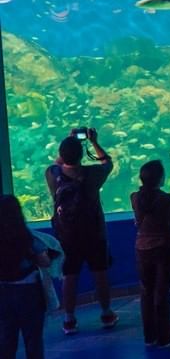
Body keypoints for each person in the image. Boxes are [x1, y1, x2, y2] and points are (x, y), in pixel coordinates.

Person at [45, 129, 117, 335]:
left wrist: (69, 140)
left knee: (69, 276)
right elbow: (108, 163)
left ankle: (69, 319)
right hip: (94, 233)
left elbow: (59, 162)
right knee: (100, 273)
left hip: (67, 236)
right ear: (82, 154)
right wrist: (94, 142)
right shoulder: (93, 174)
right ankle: (106, 313)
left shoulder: (53, 174)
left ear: (62, 153)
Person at [0, 195, 66, 359]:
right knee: (33, 340)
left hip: (3, 293)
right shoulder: (25, 237)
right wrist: (49, 255)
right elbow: (43, 261)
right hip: (28, 292)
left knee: (6, 342)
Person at [130, 160, 170, 349]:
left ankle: (149, 337)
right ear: (160, 178)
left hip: (142, 248)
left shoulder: (135, 197)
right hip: (164, 247)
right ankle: (166, 337)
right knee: (162, 290)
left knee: (146, 291)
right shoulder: (168, 199)